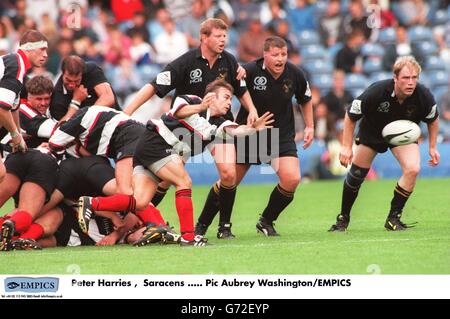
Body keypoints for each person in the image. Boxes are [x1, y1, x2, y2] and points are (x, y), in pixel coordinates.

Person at [123, 18, 259, 233]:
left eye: (225, 36)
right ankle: (139, 222)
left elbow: (241, 90)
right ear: (203, 38)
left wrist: (251, 109)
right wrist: (127, 113)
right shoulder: (185, 62)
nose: (223, 40)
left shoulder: (230, 61)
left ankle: (220, 226)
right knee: (165, 181)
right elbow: (154, 86)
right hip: (185, 127)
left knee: (228, 174)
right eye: (218, 36)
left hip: (218, 124)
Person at [128, 79, 272, 246]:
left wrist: (252, 128)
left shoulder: (219, 122)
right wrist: (202, 107)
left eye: (231, 99)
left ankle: (95, 206)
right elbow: (178, 112)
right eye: (226, 97)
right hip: (154, 142)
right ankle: (189, 237)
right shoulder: (192, 100)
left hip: (163, 151)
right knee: (183, 182)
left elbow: (235, 130)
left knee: (140, 200)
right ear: (212, 97)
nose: (229, 103)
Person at [195, 36, 314, 237]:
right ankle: (202, 225)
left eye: (283, 54)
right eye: (275, 55)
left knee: (292, 179)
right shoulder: (249, 70)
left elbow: (305, 99)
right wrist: (236, 73)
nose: (280, 59)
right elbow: (224, 87)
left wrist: (310, 126)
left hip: (280, 135)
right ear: (265, 55)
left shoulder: (295, 74)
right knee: (228, 180)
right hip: (249, 133)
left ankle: (266, 220)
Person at [329, 56, 440, 232]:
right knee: (357, 175)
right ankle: (343, 218)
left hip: (402, 135)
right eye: (405, 78)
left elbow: (433, 120)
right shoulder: (377, 91)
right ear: (395, 78)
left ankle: (393, 218)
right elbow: (350, 116)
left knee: (413, 169)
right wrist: (346, 146)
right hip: (372, 132)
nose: (411, 82)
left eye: (414, 78)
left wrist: (433, 147)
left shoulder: (423, 95)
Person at [0, 30, 48, 183]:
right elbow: (2, 108)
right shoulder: (17, 64)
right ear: (29, 49)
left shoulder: (15, 64)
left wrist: (18, 135)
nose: (46, 54)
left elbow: (13, 108)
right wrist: (15, 135)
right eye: (42, 49)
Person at [49, 55, 121, 122]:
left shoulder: (91, 70)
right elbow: (62, 129)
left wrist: (87, 115)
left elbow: (108, 98)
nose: (72, 85)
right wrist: (76, 102)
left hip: (116, 120)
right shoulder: (57, 99)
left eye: (76, 81)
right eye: (68, 80)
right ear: (62, 72)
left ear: (82, 74)